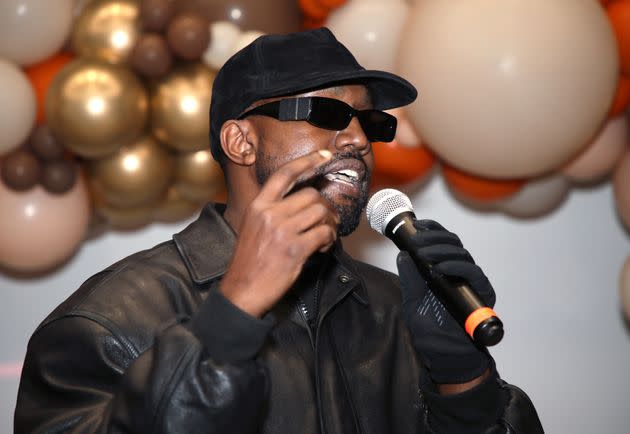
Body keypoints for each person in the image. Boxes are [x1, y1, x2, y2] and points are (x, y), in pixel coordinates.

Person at [14, 28, 543, 433]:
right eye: (327, 112)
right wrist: (232, 317)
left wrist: (462, 379)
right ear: (241, 142)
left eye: (371, 122)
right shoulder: (106, 324)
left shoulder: (393, 310)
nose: (358, 138)